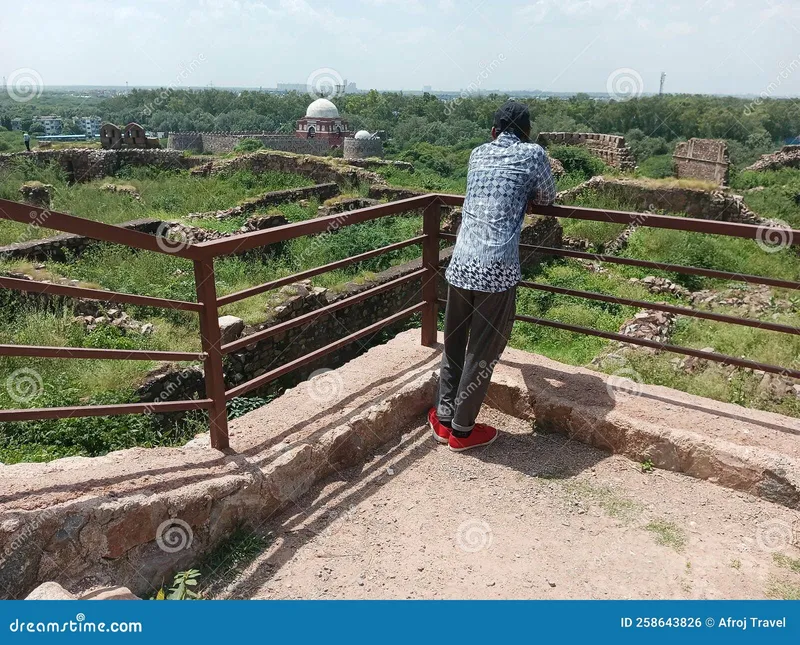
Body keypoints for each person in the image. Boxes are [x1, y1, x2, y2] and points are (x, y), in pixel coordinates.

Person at [429, 100, 556, 452]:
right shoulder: (533, 155)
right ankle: (462, 431)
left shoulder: (477, 153)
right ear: (527, 132)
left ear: (493, 131)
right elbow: (548, 196)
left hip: (461, 262)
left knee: (454, 344)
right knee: (483, 351)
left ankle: (442, 419)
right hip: (497, 269)